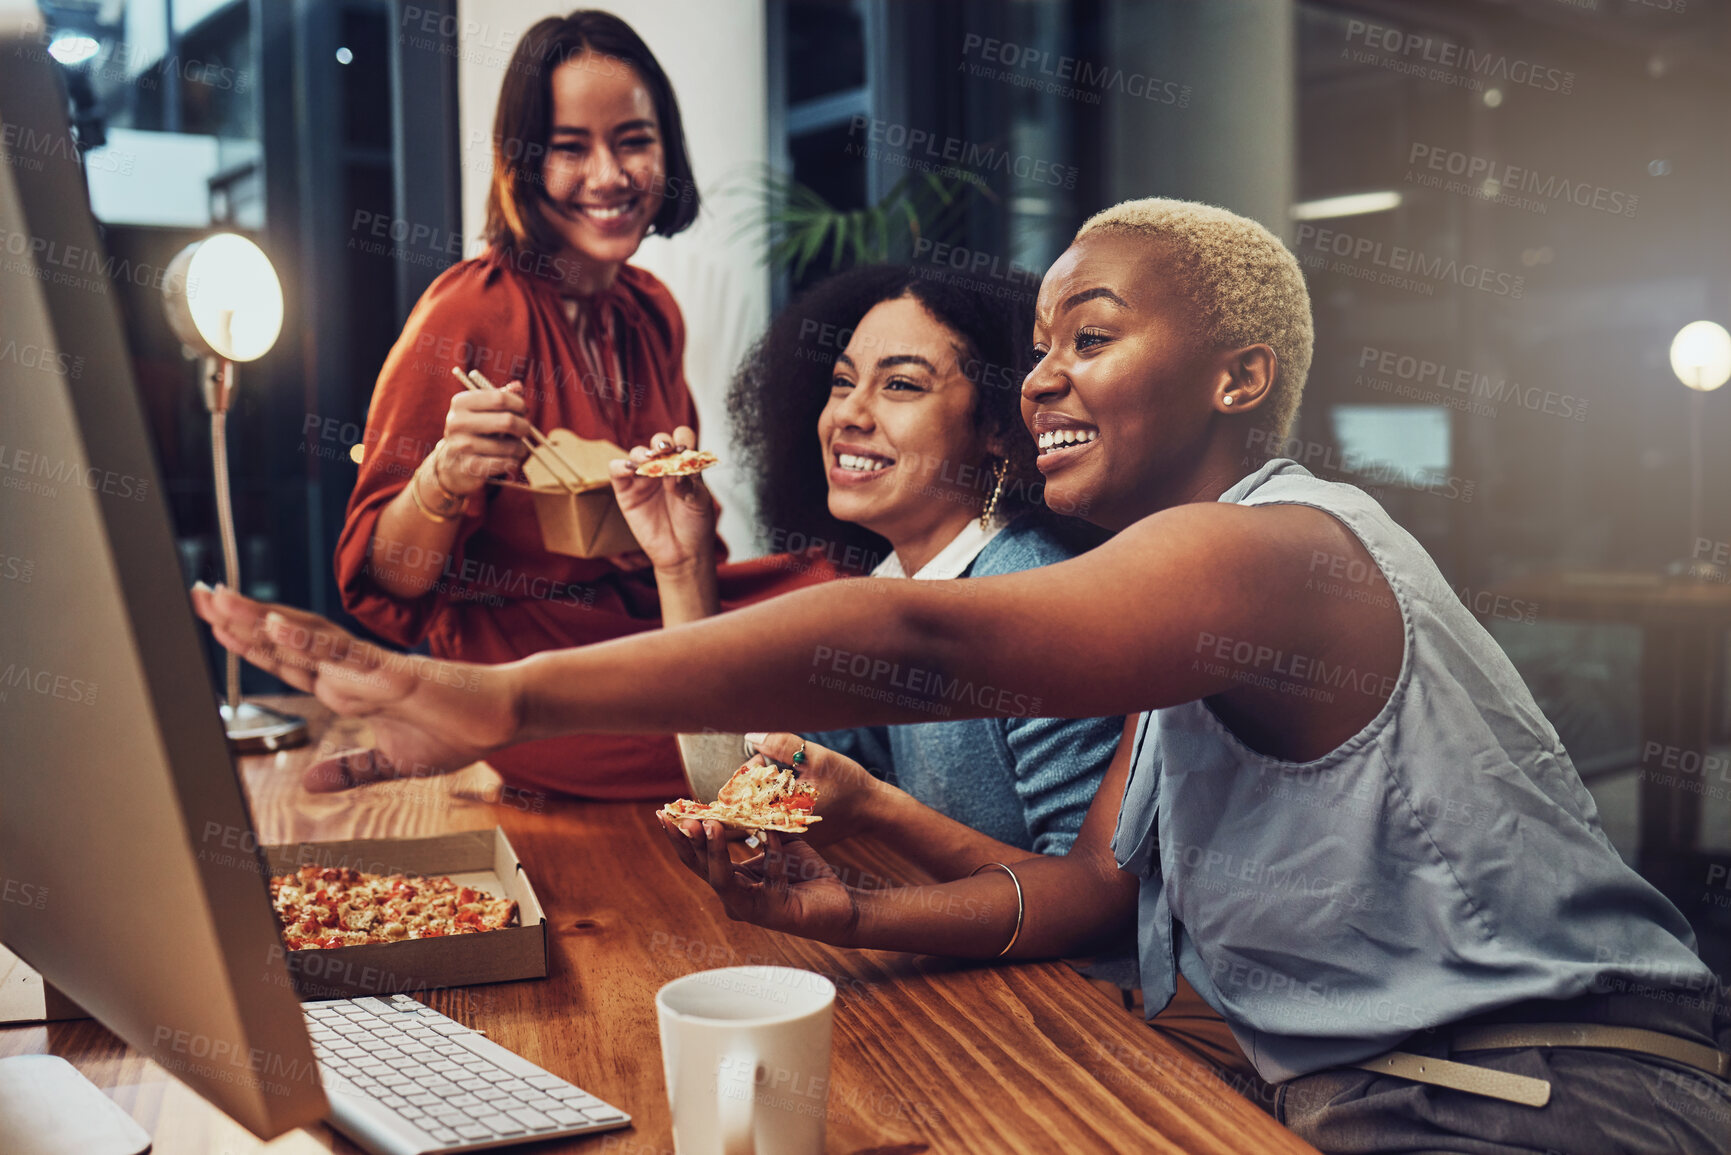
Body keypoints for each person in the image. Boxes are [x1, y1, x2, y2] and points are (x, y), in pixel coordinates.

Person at [196, 198, 1728, 1154]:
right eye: (1039, 345)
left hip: (1543, 1094)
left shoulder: (1282, 548)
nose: (1043, 371)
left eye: (1091, 335)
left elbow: (930, 649)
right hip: (1369, 1091)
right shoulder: (1185, 614)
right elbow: (1088, 891)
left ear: (1238, 376)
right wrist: (849, 909)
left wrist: (511, 691)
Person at [333, 10, 830, 801]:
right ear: (521, 164)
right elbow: (386, 582)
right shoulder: (466, 312)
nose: (609, 175)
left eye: (632, 140)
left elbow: (677, 543)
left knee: (838, 596)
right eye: (570, 148)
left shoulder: (651, 308)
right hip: (529, 662)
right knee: (788, 734)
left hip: (638, 626)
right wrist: (443, 478)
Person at [606, 264, 1121, 876]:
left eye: (900, 385)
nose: (848, 413)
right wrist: (682, 564)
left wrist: (879, 813)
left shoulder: (1038, 610)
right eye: (842, 381)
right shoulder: (895, 588)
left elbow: (1090, 901)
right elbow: (743, 788)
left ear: (1000, 429)